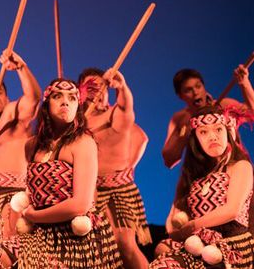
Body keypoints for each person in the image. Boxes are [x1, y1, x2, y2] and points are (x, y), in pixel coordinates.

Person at [13, 79, 123, 269]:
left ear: (78, 106)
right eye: (58, 96)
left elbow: (80, 204)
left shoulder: (83, 143)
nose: (65, 102)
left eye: (72, 98)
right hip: (40, 234)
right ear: (46, 105)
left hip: (73, 237)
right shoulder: (31, 145)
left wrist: (34, 217)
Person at [150, 105, 253, 268]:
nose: (212, 137)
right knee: (161, 258)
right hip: (197, 243)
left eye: (218, 129)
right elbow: (173, 220)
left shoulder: (240, 166)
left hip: (229, 245)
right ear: (196, 140)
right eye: (203, 132)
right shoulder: (194, 176)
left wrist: (192, 225)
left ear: (227, 133)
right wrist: (176, 226)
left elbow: (232, 209)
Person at [79, 68, 152, 268]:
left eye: (101, 86)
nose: (97, 91)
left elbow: (127, 109)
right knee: (98, 252)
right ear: (81, 91)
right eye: (91, 87)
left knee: (124, 244)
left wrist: (123, 87)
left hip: (118, 190)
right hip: (87, 192)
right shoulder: (76, 123)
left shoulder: (115, 114)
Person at [0, 50, 40, 245]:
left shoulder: (12, 113)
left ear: (6, 95)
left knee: (8, 251)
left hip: (12, 196)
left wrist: (21, 68)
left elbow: (33, 98)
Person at [163, 66, 254, 169]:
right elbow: (168, 160)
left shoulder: (223, 106)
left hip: (236, 168)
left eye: (198, 86)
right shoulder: (180, 119)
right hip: (205, 177)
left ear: (204, 86)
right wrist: (184, 133)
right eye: (188, 90)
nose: (195, 92)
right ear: (180, 96)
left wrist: (245, 84)